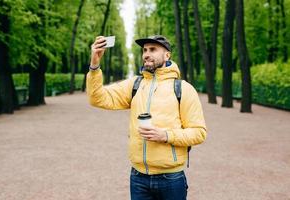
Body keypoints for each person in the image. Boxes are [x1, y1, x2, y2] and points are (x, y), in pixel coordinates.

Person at [87, 35, 207, 200]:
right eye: (144, 50)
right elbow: (97, 98)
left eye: (153, 49)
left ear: (167, 55)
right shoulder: (135, 85)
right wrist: (94, 64)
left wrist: (166, 135)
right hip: (138, 178)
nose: (146, 54)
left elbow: (199, 132)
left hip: (171, 178)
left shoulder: (183, 89)